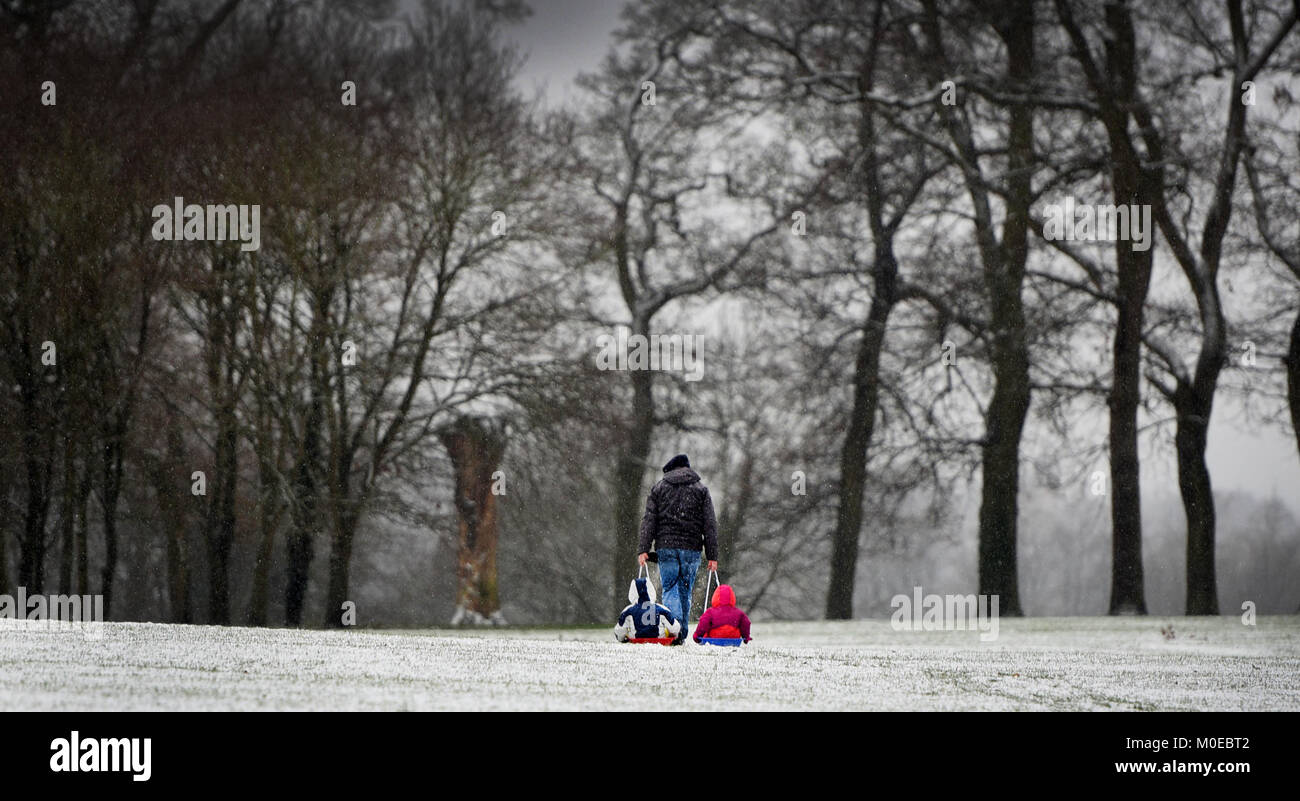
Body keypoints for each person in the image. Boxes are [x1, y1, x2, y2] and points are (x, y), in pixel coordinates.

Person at [636, 453, 718, 644]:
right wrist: (712, 555)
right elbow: (710, 524)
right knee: (684, 589)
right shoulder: (701, 490)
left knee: (670, 587)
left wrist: (643, 548)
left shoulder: (659, 489)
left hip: (666, 547)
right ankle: (680, 632)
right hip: (692, 548)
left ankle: (675, 632)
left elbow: (649, 520)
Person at [614, 576, 682, 642]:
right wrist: (674, 635)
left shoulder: (628, 610)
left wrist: (621, 639)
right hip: (659, 639)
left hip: (636, 639)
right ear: (651, 591)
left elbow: (619, 630)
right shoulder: (661, 608)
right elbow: (675, 628)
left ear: (633, 592)